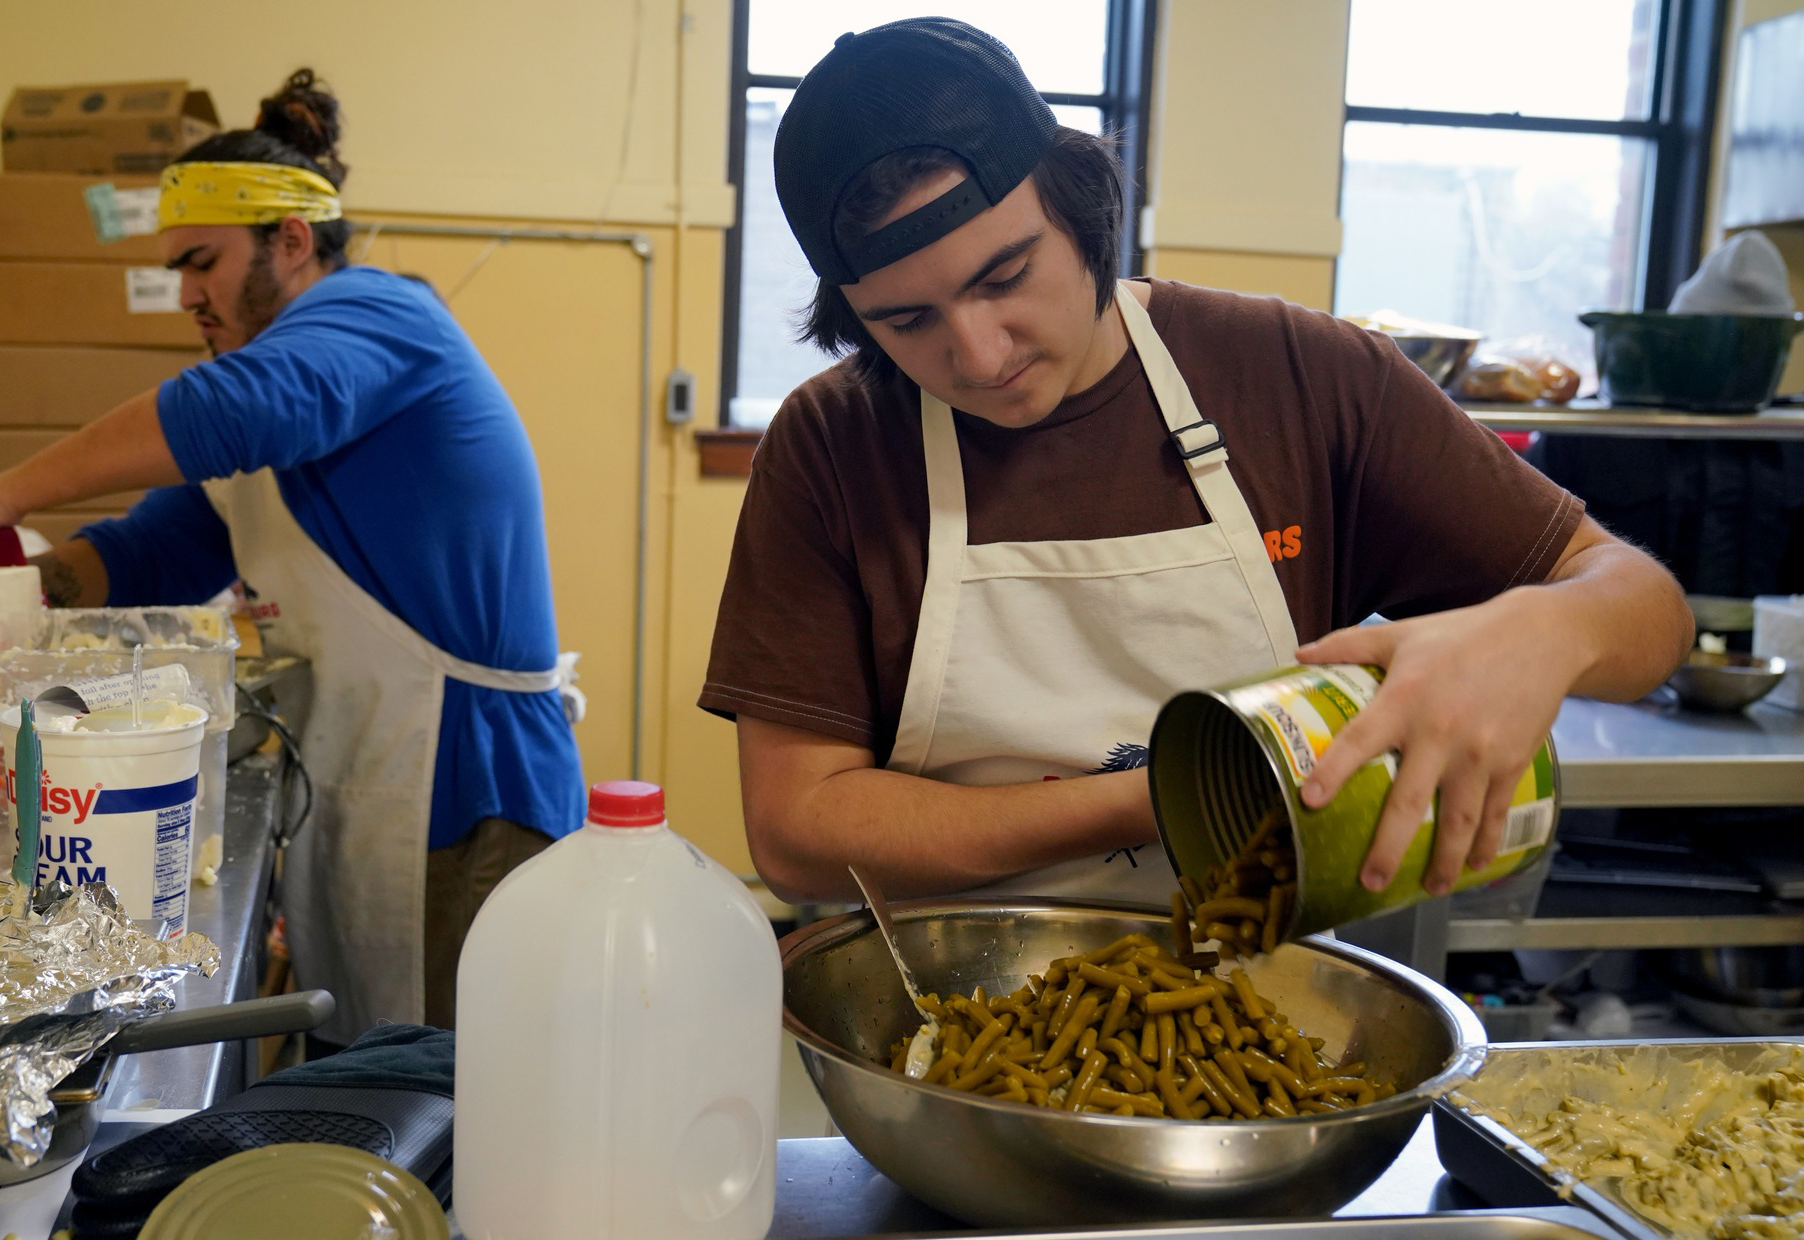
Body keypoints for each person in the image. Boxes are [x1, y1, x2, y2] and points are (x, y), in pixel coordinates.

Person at [700, 19, 1692, 907]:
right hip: (948, 1010)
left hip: (1271, 1003)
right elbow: (798, 832)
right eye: (905, 322)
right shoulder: (833, 443)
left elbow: (1650, 617)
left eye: (1005, 277)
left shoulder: (1299, 374)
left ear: (1080, 202)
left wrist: (1542, 630)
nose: (979, 354)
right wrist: (1172, 793)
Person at [0, 70, 584, 1040]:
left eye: (202, 262)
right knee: (374, 1064)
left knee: (456, 1093)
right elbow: (159, 549)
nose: (186, 294)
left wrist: (1, 491)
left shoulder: (381, 318)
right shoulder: (281, 385)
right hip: (373, 765)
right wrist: (11, 586)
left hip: (468, 787)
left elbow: (226, 410)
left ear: (292, 241)